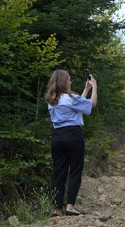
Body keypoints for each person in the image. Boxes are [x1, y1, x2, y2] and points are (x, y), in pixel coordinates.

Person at [44, 69, 97, 216]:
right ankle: (70, 207)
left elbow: (77, 106)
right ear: (64, 82)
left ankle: (56, 209)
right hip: (73, 135)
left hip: (57, 137)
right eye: (69, 79)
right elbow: (91, 105)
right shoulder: (71, 98)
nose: (70, 82)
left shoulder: (51, 100)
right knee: (75, 170)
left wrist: (85, 90)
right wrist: (95, 87)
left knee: (59, 172)